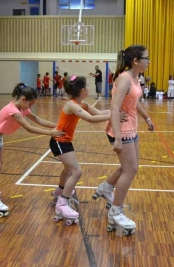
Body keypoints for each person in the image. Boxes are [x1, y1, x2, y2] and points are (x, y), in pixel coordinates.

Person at [0, 83, 64, 217]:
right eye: (30, 104)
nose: (30, 108)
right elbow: (30, 128)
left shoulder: (22, 108)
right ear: (23, 99)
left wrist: (58, 126)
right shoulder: (13, 111)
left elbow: (37, 119)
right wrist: (51, 133)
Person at [94, 45, 154, 236]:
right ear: (136, 61)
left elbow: (135, 102)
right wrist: (117, 138)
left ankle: (106, 188)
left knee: (130, 166)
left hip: (132, 126)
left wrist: (147, 118)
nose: (148, 61)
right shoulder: (124, 79)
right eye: (146, 58)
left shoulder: (136, 78)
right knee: (131, 169)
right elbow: (114, 108)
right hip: (121, 130)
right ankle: (116, 211)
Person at [50, 75, 112, 225]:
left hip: (65, 141)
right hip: (59, 141)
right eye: (88, 86)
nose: (89, 88)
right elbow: (90, 119)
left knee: (67, 170)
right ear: (83, 90)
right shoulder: (72, 105)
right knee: (76, 171)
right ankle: (62, 203)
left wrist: (115, 111)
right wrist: (115, 116)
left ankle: (59, 191)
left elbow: (97, 113)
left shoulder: (81, 103)